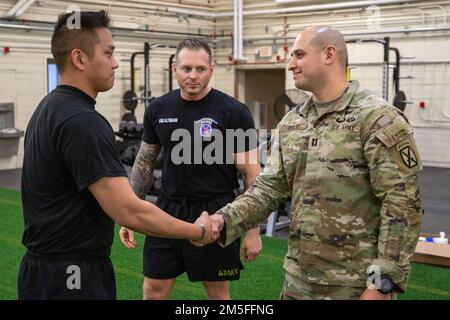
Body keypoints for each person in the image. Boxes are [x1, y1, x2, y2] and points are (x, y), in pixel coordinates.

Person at [205, 26, 423, 300]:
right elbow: (267, 190)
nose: (291, 64)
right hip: (298, 281)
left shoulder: (377, 119)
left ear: (329, 54)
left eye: (298, 54)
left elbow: (402, 205)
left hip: (355, 285)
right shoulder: (292, 123)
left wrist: (382, 283)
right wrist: (222, 220)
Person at [18, 10, 213, 300]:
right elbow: (128, 210)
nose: (115, 63)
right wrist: (197, 231)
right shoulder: (83, 122)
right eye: (108, 53)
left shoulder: (48, 107)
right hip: (73, 276)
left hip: (42, 271)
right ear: (79, 58)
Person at [119, 39, 262, 300]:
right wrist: (130, 212)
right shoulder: (158, 109)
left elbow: (250, 172)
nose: (193, 76)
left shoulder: (234, 112)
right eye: (186, 69)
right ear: (175, 69)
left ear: (211, 69)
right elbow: (144, 162)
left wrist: (252, 228)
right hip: (167, 210)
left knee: (217, 292)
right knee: (153, 288)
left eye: (200, 69)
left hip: (218, 211)